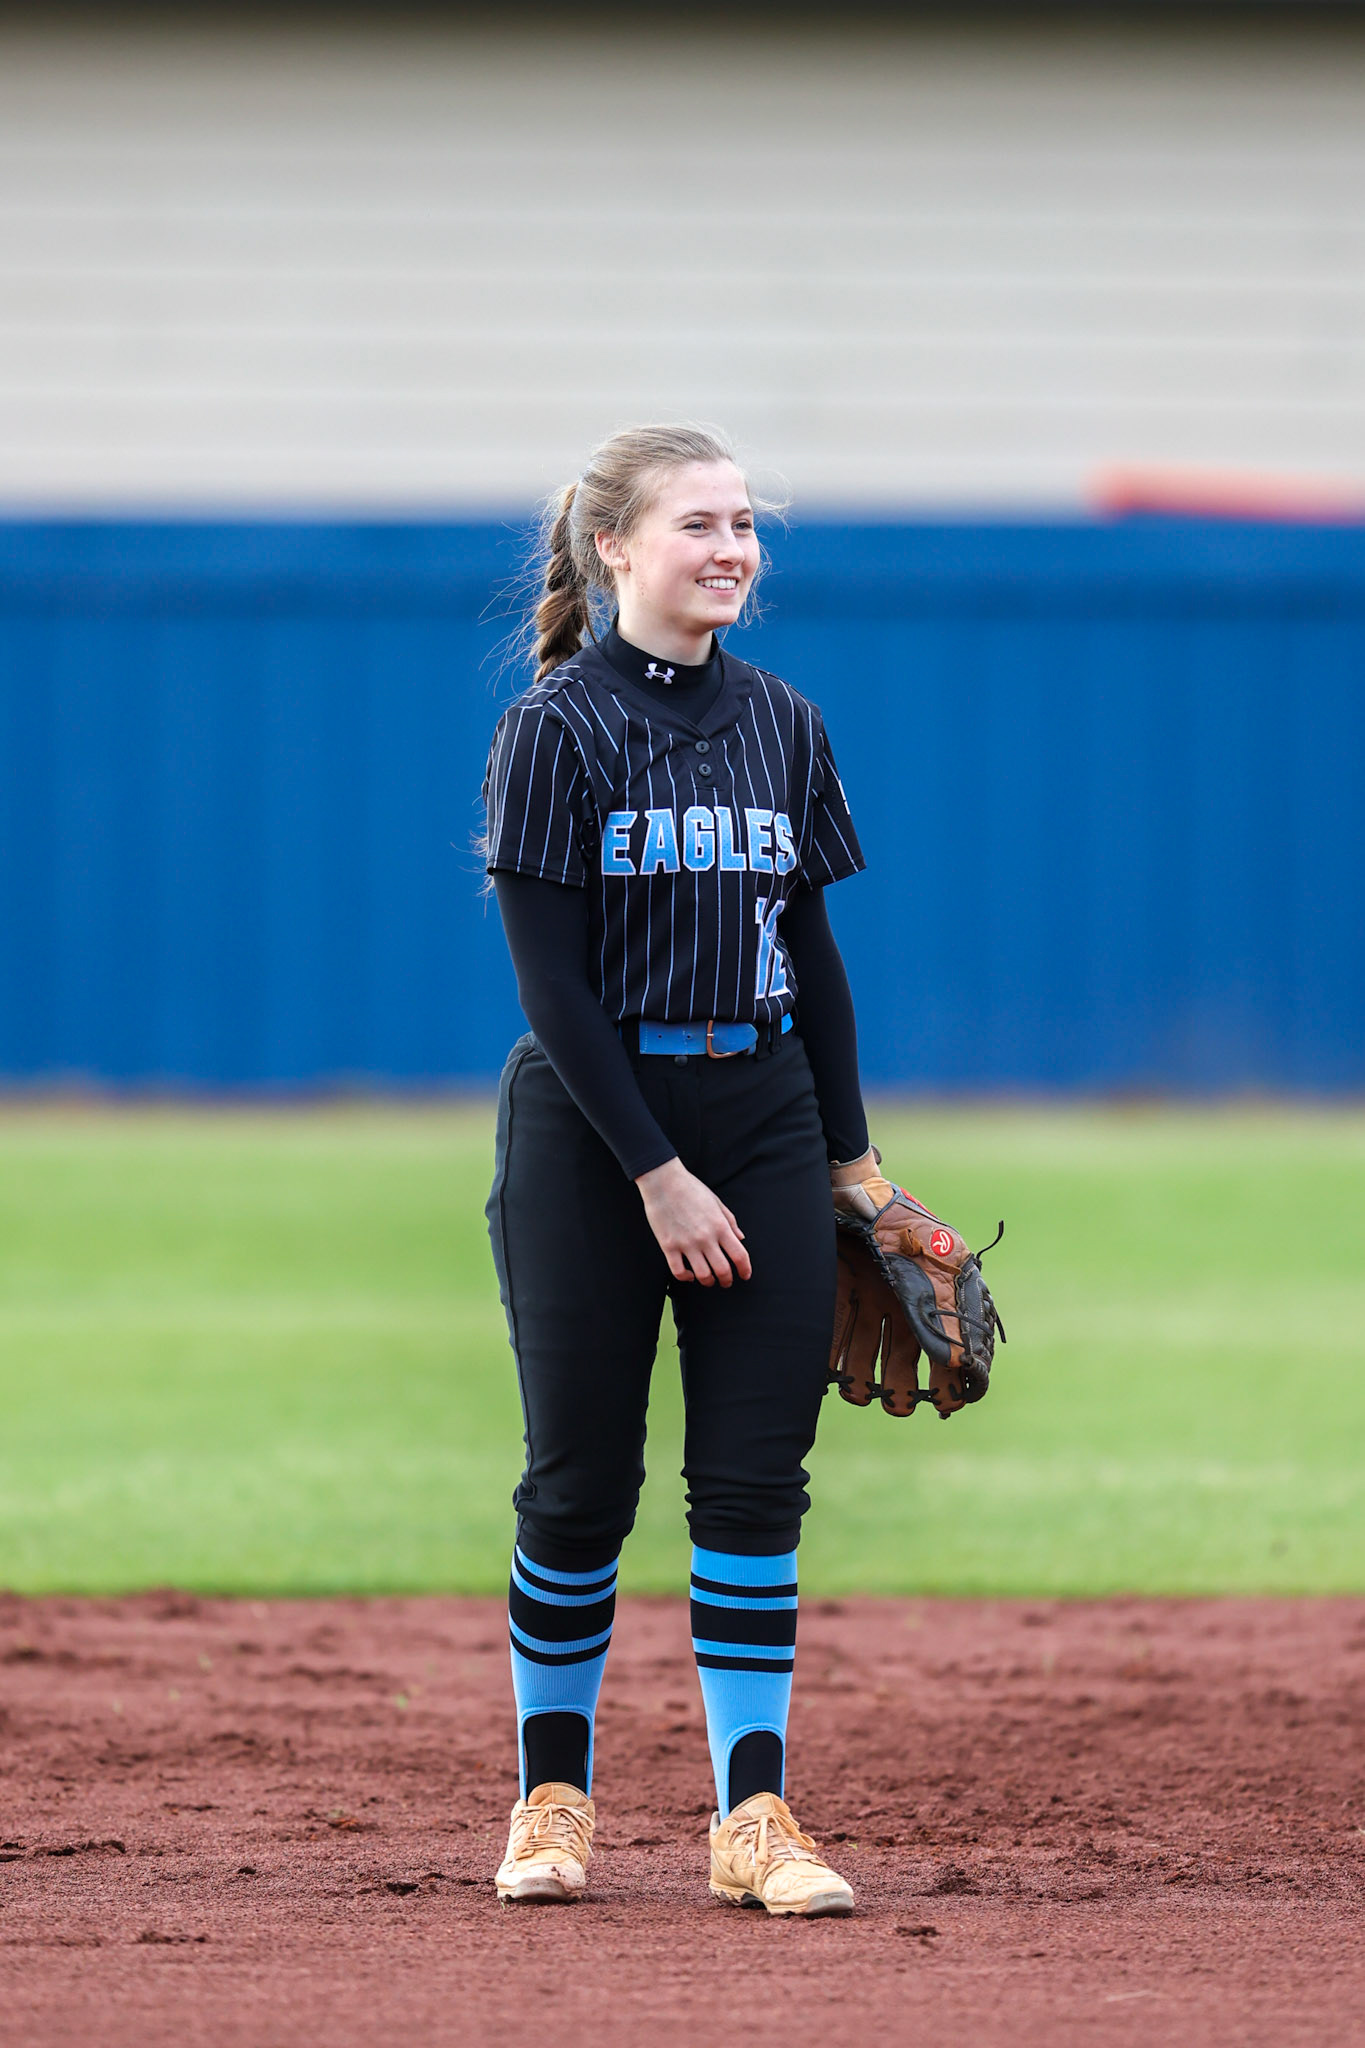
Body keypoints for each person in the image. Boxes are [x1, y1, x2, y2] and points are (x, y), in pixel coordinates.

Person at [481, 422, 882, 1918]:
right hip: (592, 1132)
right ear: (615, 549)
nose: (731, 550)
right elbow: (552, 988)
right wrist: (655, 1173)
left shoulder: (782, 721)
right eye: (699, 524)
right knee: (579, 1486)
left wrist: (847, 1162)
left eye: (743, 526)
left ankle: (752, 1817)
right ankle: (550, 1800)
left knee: (753, 1487)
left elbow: (816, 959)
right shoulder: (556, 729)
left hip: (763, 1111)